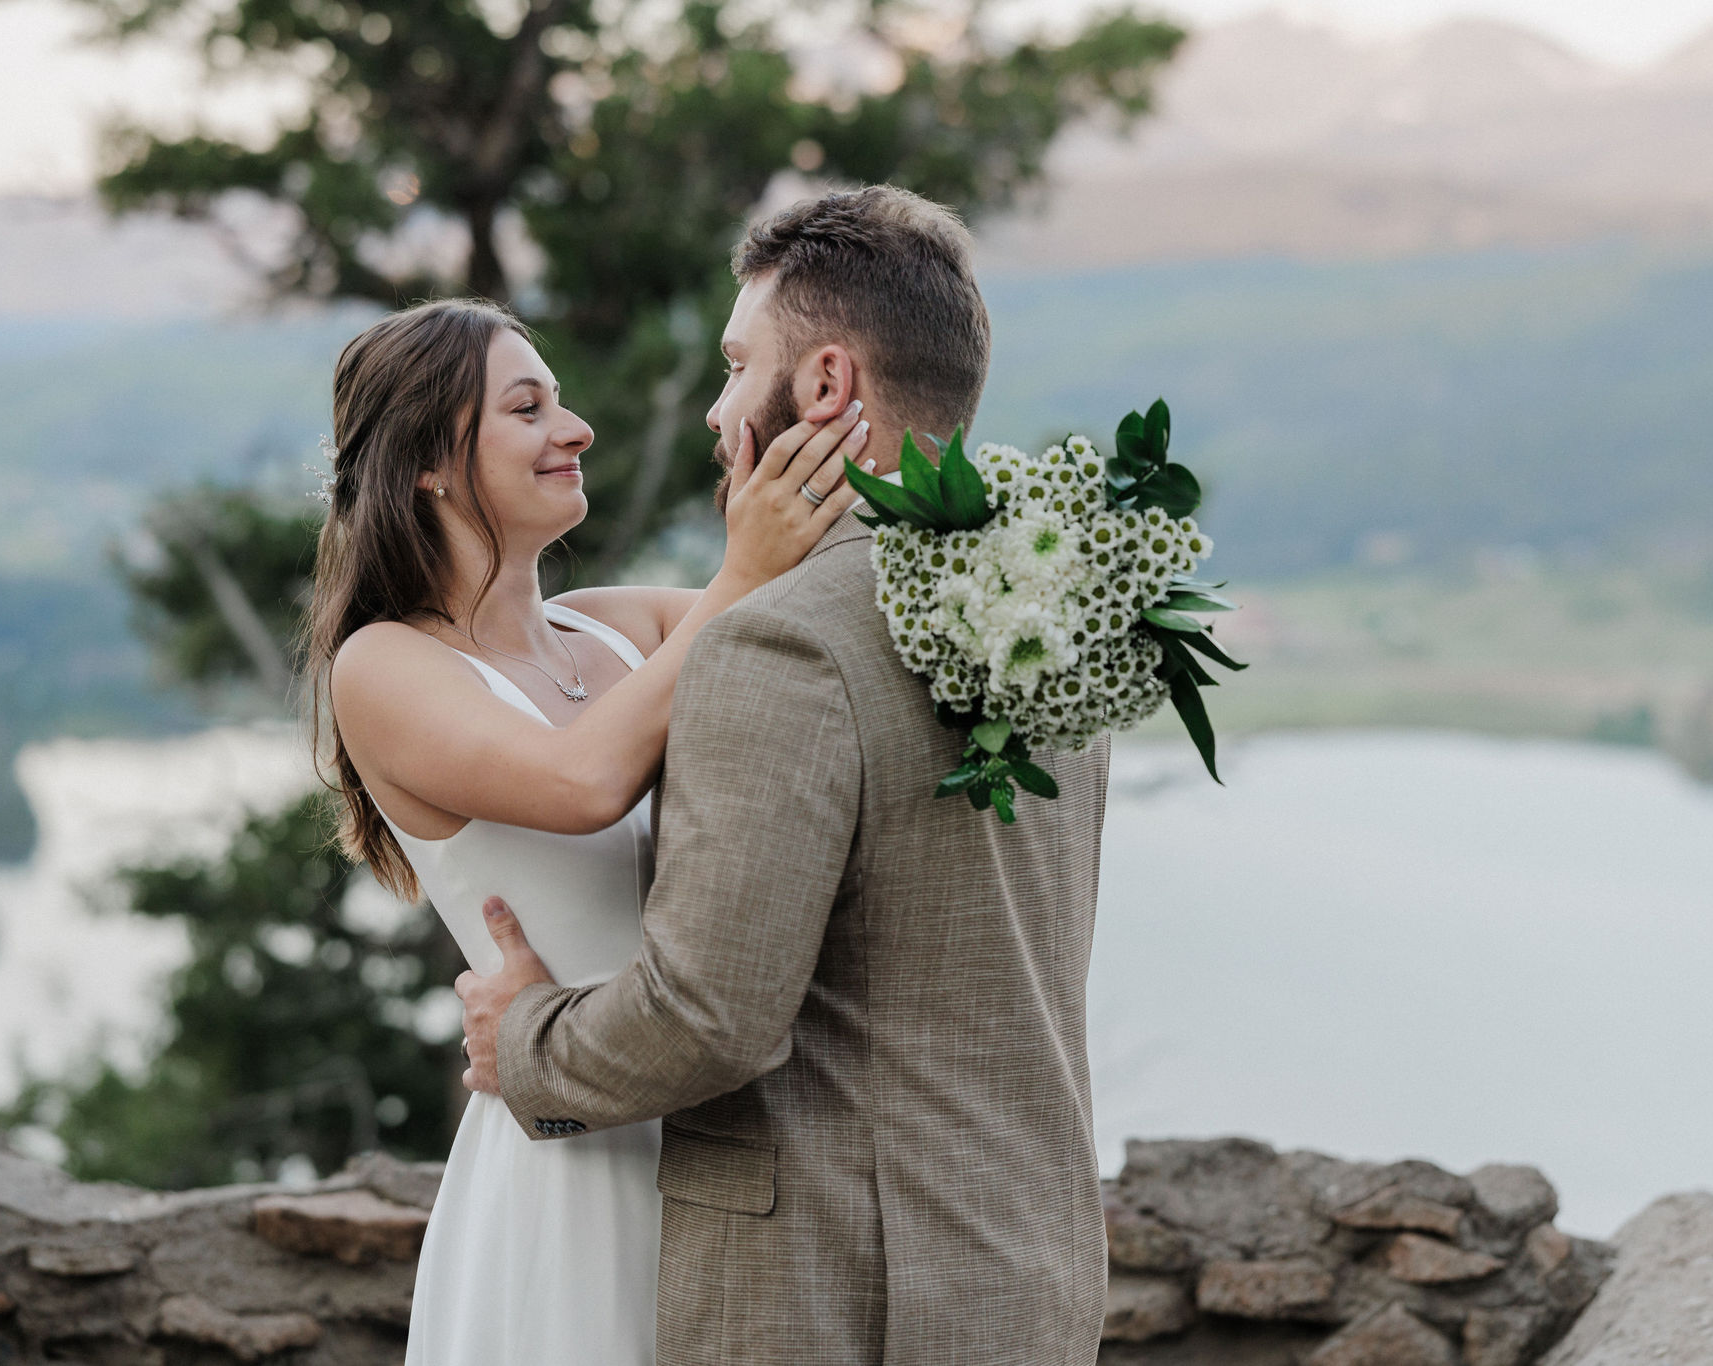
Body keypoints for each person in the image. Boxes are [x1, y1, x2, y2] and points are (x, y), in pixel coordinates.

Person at [457, 186, 1115, 1365]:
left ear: (821, 386)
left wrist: (527, 1044)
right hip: (1030, 1275)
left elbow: (710, 1018)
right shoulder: (1048, 613)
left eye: (731, 367)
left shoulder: (782, 639)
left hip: (837, 1298)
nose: (717, 413)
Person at [307, 294, 866, 1365]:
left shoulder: (616, 627)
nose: (576, 429)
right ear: (428, 459)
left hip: (719, 1147)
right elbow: (582, 779)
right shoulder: (382, 664)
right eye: (528, 407)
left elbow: (797, 611)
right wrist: (741, 571)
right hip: (572, 1160)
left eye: (560, 400)